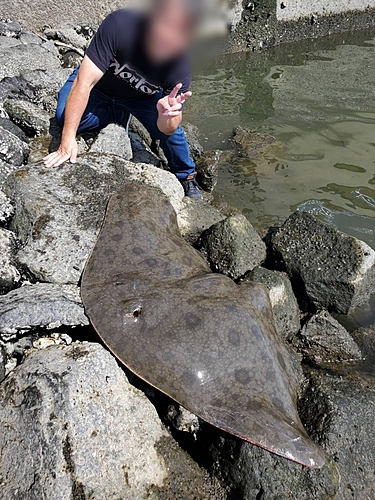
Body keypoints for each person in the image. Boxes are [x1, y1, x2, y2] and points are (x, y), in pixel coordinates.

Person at [44, 0, 203, 199]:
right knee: (63, 118)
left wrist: (167, 116)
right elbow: (84, 83)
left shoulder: (179, 68)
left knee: (172, 132)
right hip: (98, 84)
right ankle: (117, 114)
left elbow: (168, 128)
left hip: (140, 98)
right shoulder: (120, 25)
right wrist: (67, 140)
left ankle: (187, 176)